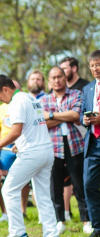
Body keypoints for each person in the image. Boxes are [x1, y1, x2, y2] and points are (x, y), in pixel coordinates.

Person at [0, 74, 60, 237]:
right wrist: (18, 145)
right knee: (42, 195)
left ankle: (18, 233)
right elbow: (30, 128)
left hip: (32, 154)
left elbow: (16, 130)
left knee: (9, 189)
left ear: (5, 89)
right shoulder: (30, 98)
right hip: (45, 151)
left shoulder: (17, 101)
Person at [39, 67, 91, 235]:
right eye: (53, 77)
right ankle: (59, 220)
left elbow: (76, 116)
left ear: (64, 77)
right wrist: (63, 115)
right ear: (49, 81)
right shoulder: (43, 100)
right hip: (53, 147)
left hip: (75, 146)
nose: (57, 80)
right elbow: (42, 123)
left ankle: (86, 221)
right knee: (55, 187)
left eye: (59, 76)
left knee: (79, 185)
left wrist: (52, 115)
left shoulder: (76, 94)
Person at [0, 80, 31, 220]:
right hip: (6, 147)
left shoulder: (21, 102)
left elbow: (17, 132)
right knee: (7, 182)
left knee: (23, 181)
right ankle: (7, 213)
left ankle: (22, 212)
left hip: (23, 145)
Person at [59, 57, 90, 221]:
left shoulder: (85, 87)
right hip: (61, 141)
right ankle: (65, 214)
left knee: (81, 181)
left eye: (64, 69)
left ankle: (87, 218)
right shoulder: (58, 91)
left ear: (74, 68)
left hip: (83, 139)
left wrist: (70, 116)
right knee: (63, 180)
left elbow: (77, 115)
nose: (61, 73)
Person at [80, 50, 100, 237]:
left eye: (98, 64)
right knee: (89, 184)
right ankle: (97, 226)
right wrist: (85, 119)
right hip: (93, 142)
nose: (95, 69)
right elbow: (80, 114)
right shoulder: (87, 89)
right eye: (92, 65)